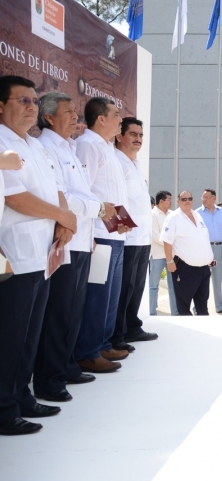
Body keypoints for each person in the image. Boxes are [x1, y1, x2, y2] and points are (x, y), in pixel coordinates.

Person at [0, 76, 77, 436]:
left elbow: (56, 189)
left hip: (44, 252)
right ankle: (4, 408)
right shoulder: (2, 142)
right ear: (1, 105)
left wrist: (65, 222)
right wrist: (62, 216)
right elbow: (15, 198)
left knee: (30, 334)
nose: (31, 106)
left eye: (34, 101)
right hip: (16, 253)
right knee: (11, 336)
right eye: (23, 101)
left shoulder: (35, 145)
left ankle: (22, 396)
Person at [32, 93, 113, 403]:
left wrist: (95, 212)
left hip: (80, 238)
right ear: (50, 117)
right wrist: (98, 210)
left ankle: (65, 366)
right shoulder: (47, 147)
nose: (75, 116)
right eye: (68, 112)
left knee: (72, 311)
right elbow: (62, 197)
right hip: (63, 240)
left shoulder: (68, 147)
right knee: (59, 313)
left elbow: (83, 192)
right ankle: (50, 380)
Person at [73, 97, 131, 373]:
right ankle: (88, 351)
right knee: (97, 296)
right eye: (116, 114)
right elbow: (85, 191)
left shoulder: (106, 147)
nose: (121, 119)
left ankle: (103, 343)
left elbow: (110, 194)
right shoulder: (87, 145)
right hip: (98, 232)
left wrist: (121, 223)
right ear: (101, 119)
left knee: (110, 296)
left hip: (114, 232)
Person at [112, 117, 157, 349]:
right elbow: (112, 198)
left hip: (142, 238)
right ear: (119, 136)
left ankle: (132, 327)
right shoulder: (116, 162)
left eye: (140, 135)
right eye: (133, 134)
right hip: (126, 237)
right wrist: (120, 226)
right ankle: (117, 335)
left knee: (136, 286)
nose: (138, 139)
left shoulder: (135, 164)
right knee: (122, 290)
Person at [161, 191, 214, 315]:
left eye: (190, 198)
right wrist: (169, 261)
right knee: (184, 306)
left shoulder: (197, 215)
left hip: (204, 269)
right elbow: (167, 241)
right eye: (184, 199)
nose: (187, 201)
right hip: (185, 269)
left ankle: (203, 332)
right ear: (178, 201)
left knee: (202, 306)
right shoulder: (173, 218)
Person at [197, 188, 222, 314]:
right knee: (202, 278)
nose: (204, 199)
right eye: (203, 197)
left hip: (218, 249)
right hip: (204, 249)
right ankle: (199, 307)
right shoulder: (197, 213)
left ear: (214, 198)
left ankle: (219, 306)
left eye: (207, 197)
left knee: (217, 278)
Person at [149, 191, 175, 314]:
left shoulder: (172, 214)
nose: (171, 201)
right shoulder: (152, 214)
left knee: (173, 285)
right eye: (169, 199)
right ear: (161, 201)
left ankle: (175, 312)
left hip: (172, 256)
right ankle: (151, 312)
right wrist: (170, 243)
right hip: (157, 254)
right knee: (153, 285)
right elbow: (155, 236)